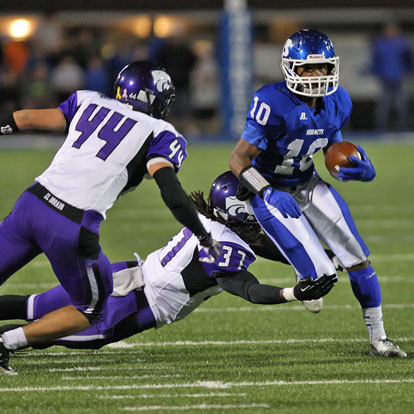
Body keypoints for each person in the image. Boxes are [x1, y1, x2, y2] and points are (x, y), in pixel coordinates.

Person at [0, 61, 222, 374]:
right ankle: (5, 342)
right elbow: (171, 192)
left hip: (31, 203)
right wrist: (202, 235)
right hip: (70, 222)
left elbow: (22, 119)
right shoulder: (160, 132)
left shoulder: (88, 99)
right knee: (92, 309)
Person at [0, 171, 337, 373]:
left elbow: (263, 246)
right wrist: (292, 293)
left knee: (33, 305)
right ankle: (6, 342)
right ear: (236, 210)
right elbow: (245, 288)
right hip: (137, 306)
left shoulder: (208, 219)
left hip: (126, 274)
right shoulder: (227, 246)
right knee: (53, 333)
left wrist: (318, 258)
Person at [228, 29, 407, 358]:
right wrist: (267, 192)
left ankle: (379, 338)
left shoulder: (339, 100)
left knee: (358, 257)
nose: (315, 75)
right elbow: (238, 159)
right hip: (272, 188)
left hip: (307, 182)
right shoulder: (272, 101)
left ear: (331, 68)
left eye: (321, 68)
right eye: (307, 69)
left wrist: (354, 165)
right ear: (290, 69)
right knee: (322, 278)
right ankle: (308, 266)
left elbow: (330, 145)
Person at [371, 22, 412, 131]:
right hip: (385, 78)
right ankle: (381, 128)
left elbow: (409, 60)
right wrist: (375, 72)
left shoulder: (403, 43)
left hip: (399, 77)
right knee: (383, 105)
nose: (391, 32)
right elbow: (376, 61)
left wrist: (409, 71)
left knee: (401, 105)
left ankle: (403, 128)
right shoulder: (380, 43)